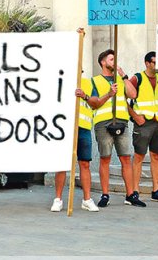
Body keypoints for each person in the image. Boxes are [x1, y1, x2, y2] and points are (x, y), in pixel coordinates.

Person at [88, 49, 142, 207]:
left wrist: (124, 77)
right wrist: (109, 94)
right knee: (105, 158)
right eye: (111, 59)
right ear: (103, 62)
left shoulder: (120, 79)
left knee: (126, 158)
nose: (114, 61)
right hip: (103, 123)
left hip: (122, 121)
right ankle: (105, 195)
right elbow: (94, 103)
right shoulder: (95, 81)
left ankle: (130, 194)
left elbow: (133, 95)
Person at [51, 74, 99, 212]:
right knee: (62, 163)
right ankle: (58, 199)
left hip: (83, 127)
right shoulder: (60, 81)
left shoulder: (88, 83)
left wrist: (84, 96)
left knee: (85, 163)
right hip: (65, 128)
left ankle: (87, 199)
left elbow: (95, 103)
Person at [128, 51, 158, 204]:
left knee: (156, 155)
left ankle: (156, 190)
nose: (157, 65)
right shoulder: (137, 78)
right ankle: (135, 190)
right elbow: (123, 99)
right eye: (155, 62)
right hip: (143, 123)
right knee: (139, 156)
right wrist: (135, 116)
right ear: (147, 63)